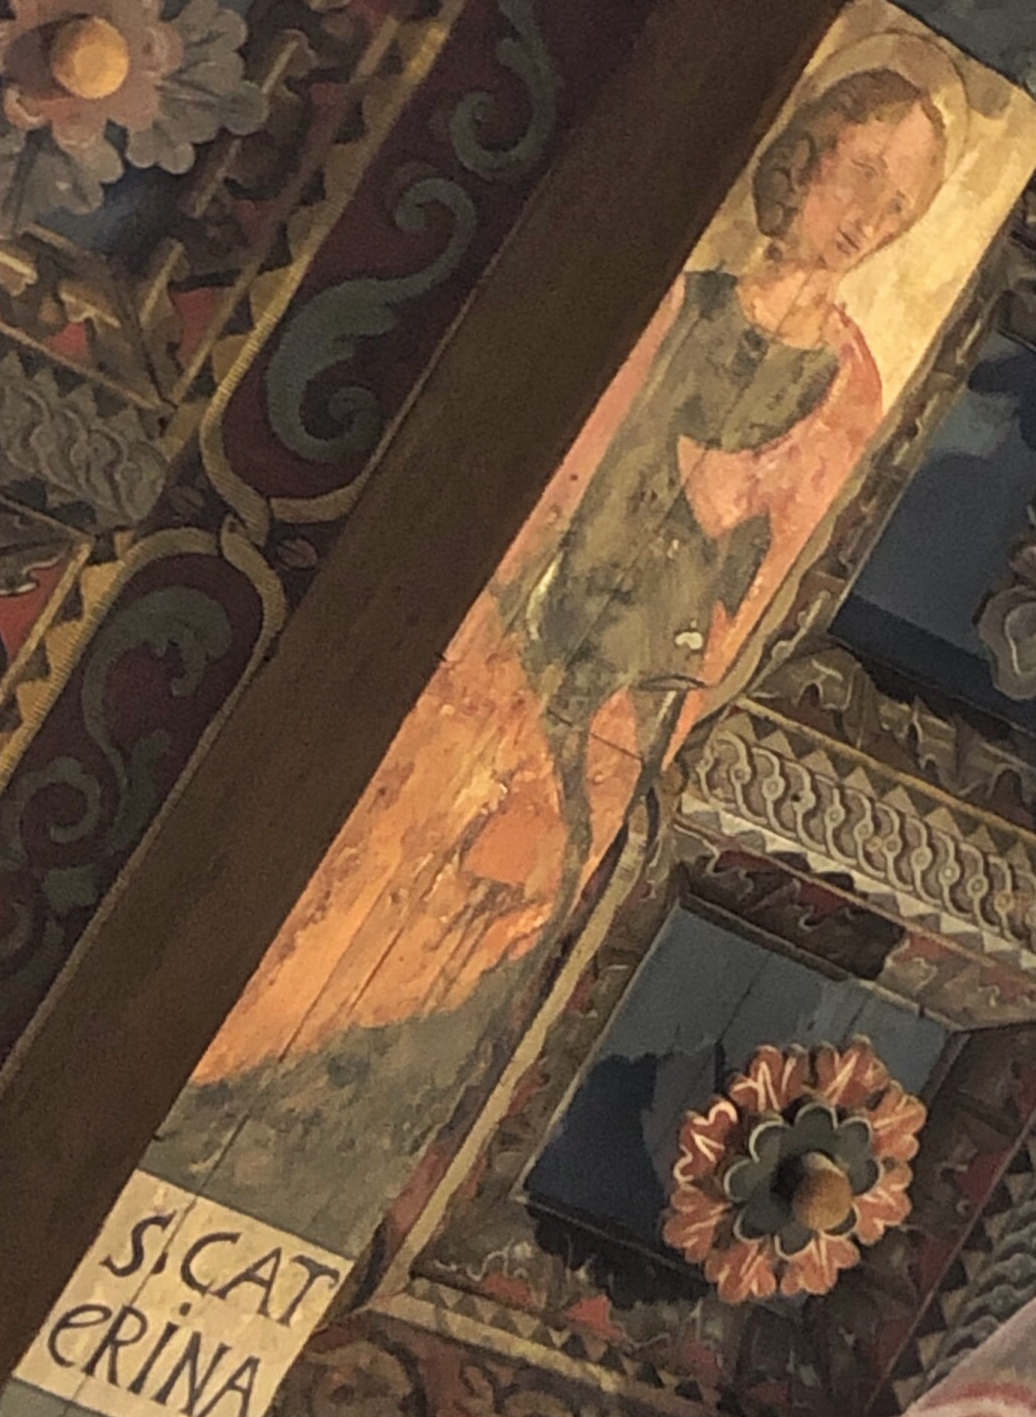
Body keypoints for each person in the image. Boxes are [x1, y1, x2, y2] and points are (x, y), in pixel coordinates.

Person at [198, 64, 950, 1078]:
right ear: (807, 148)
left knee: (498, 889)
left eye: (899, 206)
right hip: (497, 633)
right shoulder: (675, 297)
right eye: (862, 175)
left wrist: (721, 500)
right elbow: (548, 475)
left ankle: (249, 1055)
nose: (869, 218)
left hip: (629, 694)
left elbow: (754, 568)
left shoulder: (850, 385)